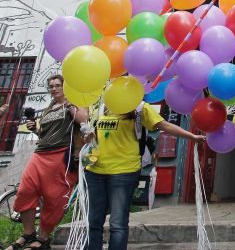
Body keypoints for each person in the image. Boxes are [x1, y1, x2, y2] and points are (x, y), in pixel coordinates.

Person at [85, 102, 205, 250]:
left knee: (118, 223)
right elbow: (94, 138)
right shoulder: (101, 107)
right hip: (95, 171)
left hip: (123, 172)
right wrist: (88, 137)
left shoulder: (140, 108)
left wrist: (191, 136)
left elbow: (165, 125)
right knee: (94, 222)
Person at [6, 74, 88, 250]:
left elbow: (84, 120)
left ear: (65, 87)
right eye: (51, 86)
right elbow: (44, 135)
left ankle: (43, 238)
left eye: (58, 85)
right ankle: (28, 234)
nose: (54, 89)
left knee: (53, 198)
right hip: (40, 154)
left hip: (60, 156)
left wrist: (70, 105)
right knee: (25, 190)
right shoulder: (48, 109)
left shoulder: (75, 103)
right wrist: (35, 129)